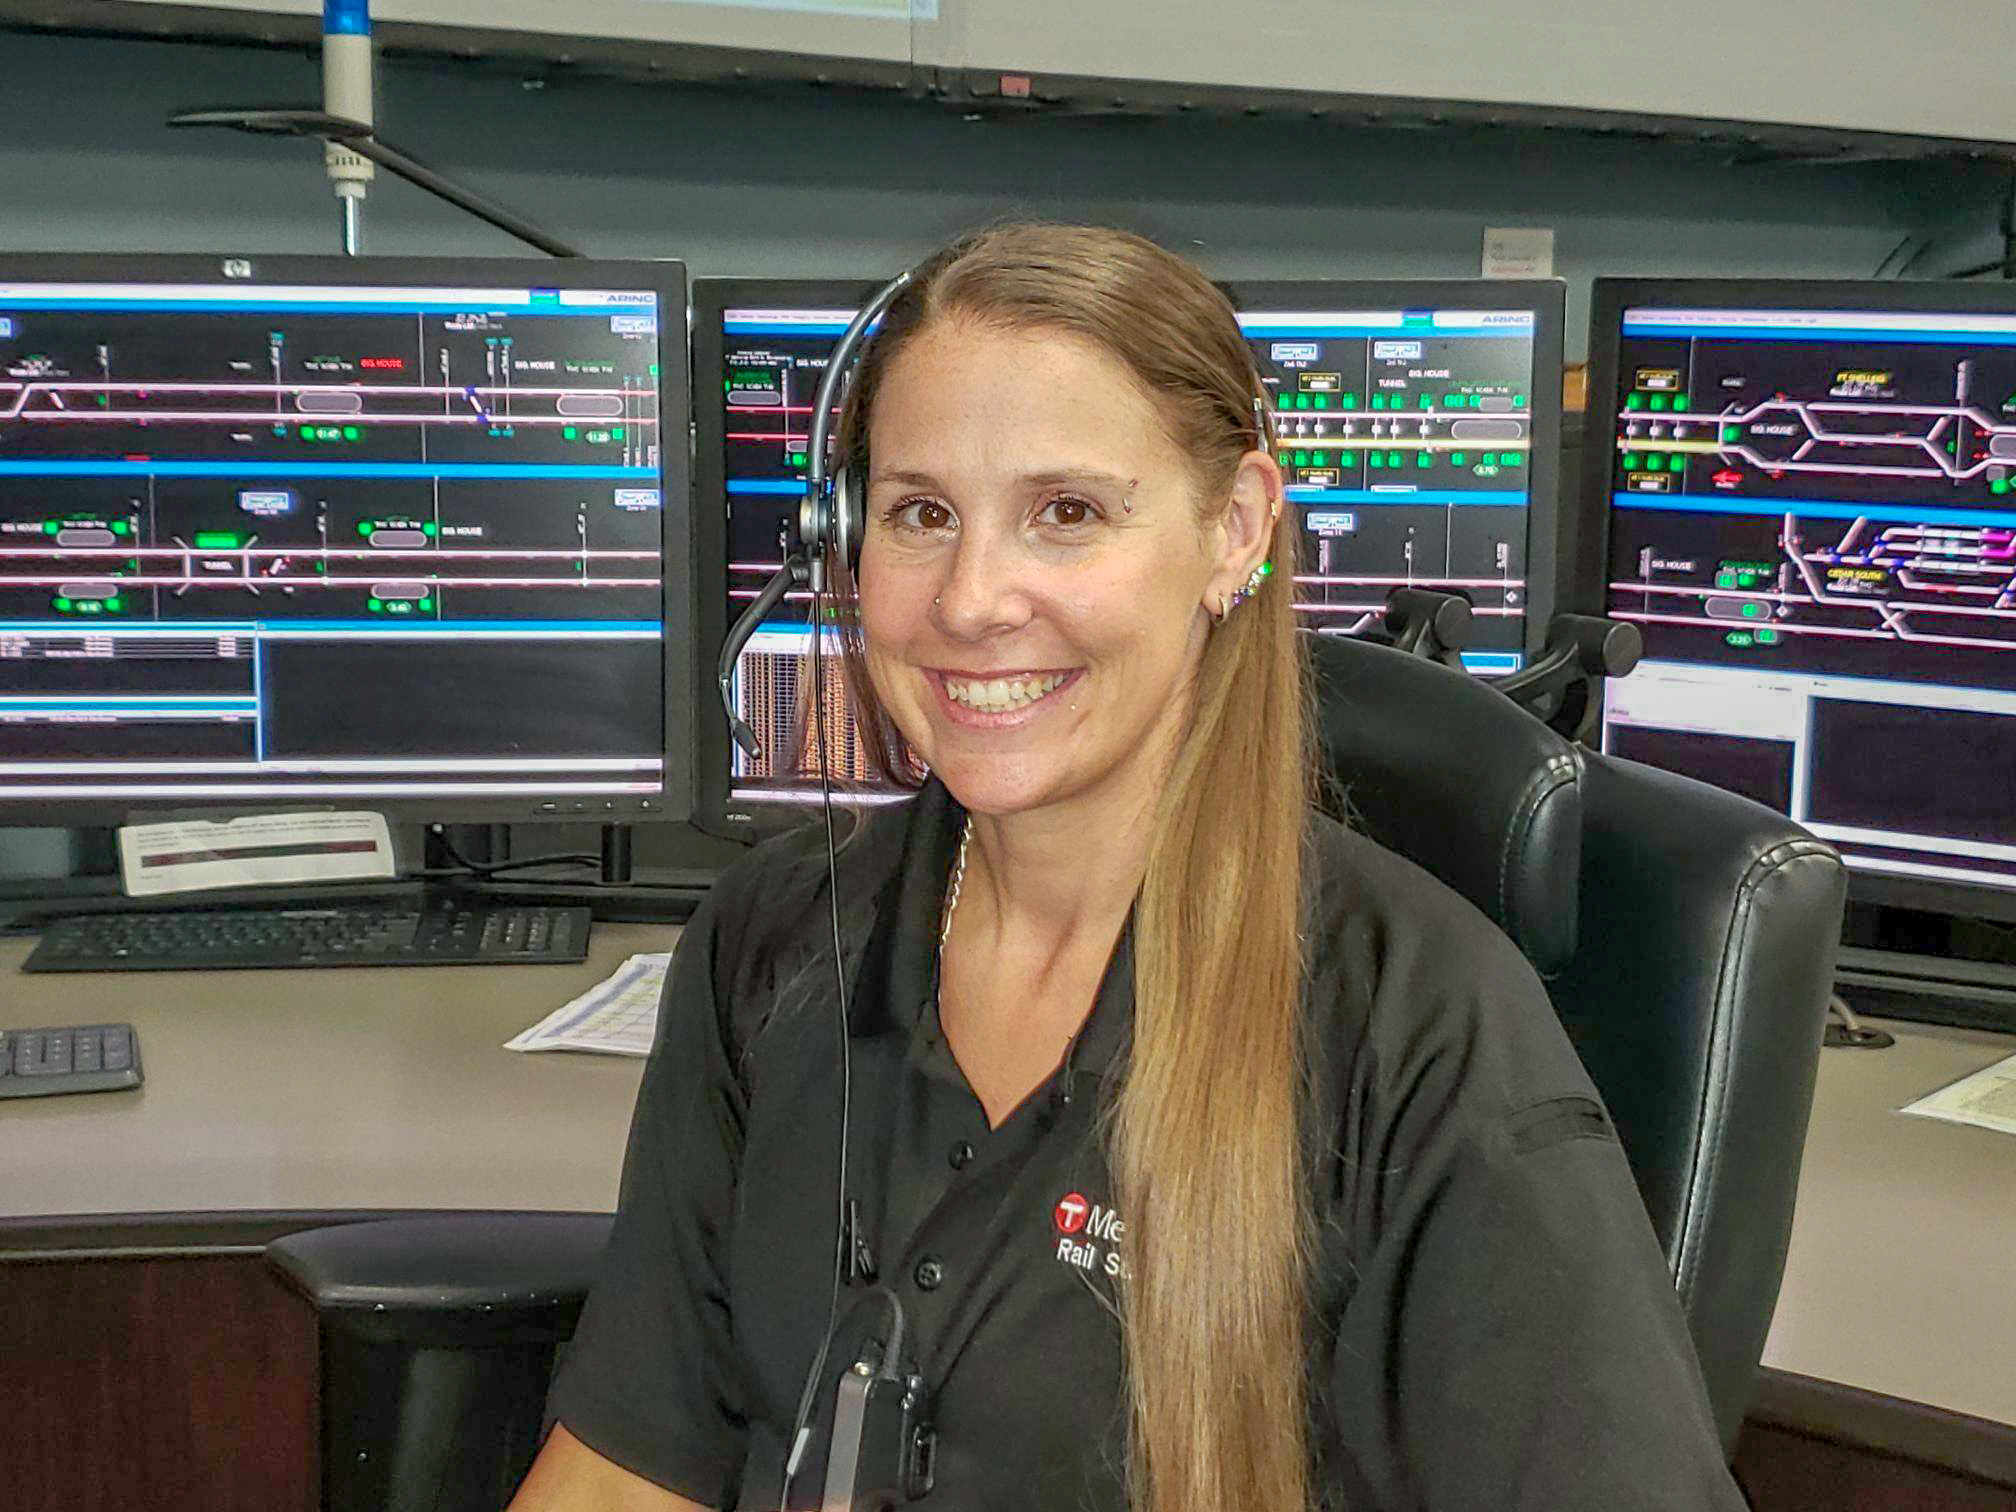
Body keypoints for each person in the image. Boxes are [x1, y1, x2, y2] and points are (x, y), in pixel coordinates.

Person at [509, 222, 1745, 1512]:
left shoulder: (1419, 1032)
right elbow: (622, 1471)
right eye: (922, 513)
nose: (972, 599)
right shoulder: (771, 941)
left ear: (1234, 532)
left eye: (1068, 514)